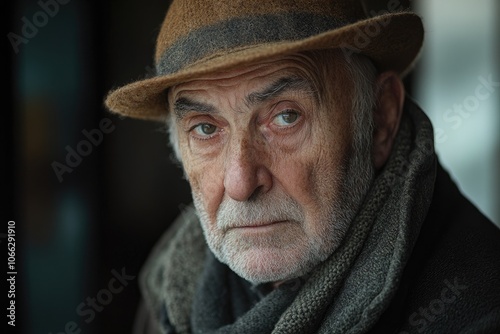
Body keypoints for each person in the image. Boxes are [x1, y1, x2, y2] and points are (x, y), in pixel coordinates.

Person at [104, 0, 500, 333]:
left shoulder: (477, 305)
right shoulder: (168, 288)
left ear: (380, 120)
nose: (241, 182)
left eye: (286, 117)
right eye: (206, 128)